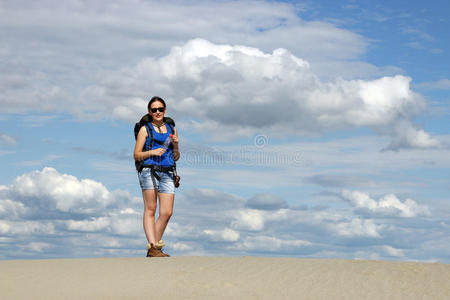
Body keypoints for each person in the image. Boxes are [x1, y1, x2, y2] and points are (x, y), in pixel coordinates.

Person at [134, 96, 180, 257]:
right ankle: (154, 247)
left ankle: (153, 248)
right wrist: (151, 152)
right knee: (151, 209)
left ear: (165, 110)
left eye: (160, 109)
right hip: (149, 170)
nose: (158, 112)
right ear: (149, 112)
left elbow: (176, 156)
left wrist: (176, 145)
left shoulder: (171, 127)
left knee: (167, 212)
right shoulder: (145, 129)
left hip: (168, 171)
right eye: (154, 110)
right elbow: (136, 155)